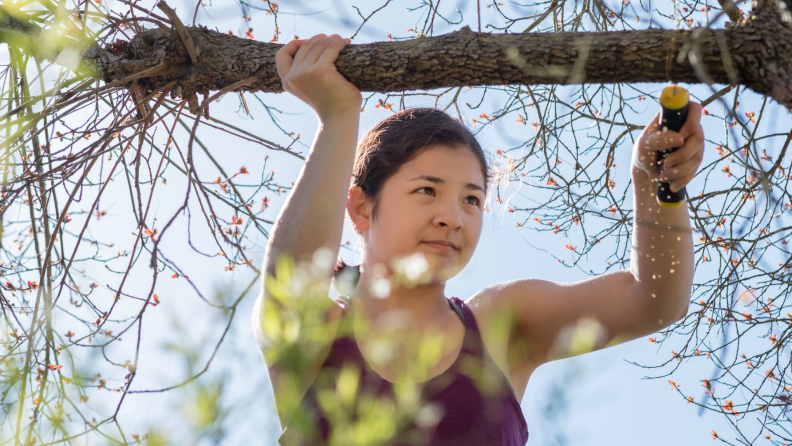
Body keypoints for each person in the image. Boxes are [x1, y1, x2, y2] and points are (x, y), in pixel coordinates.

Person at [253, 33, 705, 446]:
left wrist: (653, 183)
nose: (452, 218)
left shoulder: (501, 328)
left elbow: (654, 301)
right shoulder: (317, 334)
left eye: (471, 200)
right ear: (361, 207)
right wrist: (337, 115)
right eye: (427, 190)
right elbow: (291, 276)